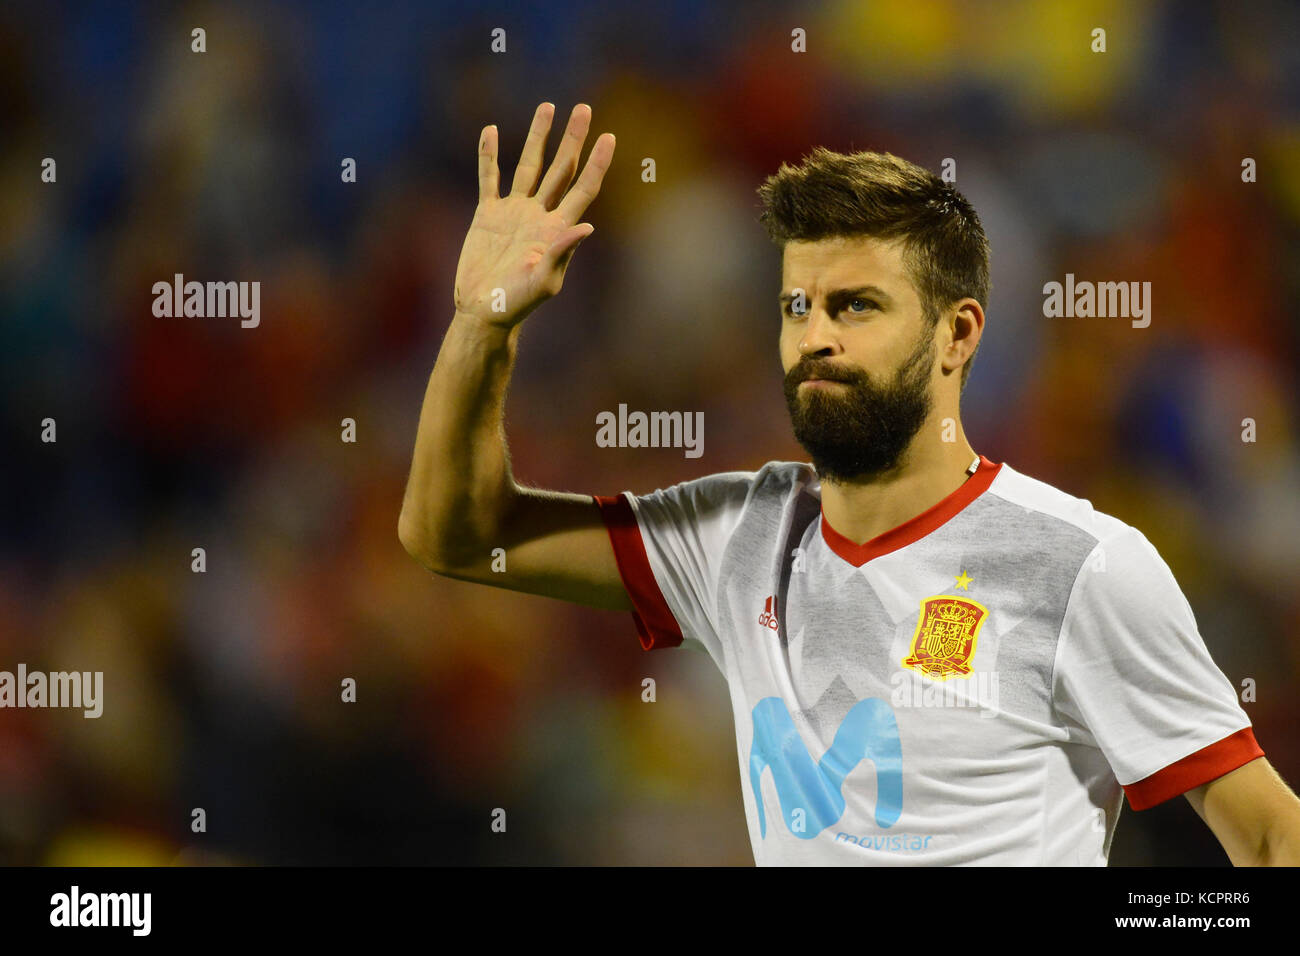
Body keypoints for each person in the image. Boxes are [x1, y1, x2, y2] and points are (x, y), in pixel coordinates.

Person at [398, 101, 1300, 865]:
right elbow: (460, 537)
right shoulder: (733, 536)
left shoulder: (1082, 565)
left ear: (958, 334)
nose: (815, 337)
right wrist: (483, 328)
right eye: (799, 307)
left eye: (855, 306)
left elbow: (1265, 837)